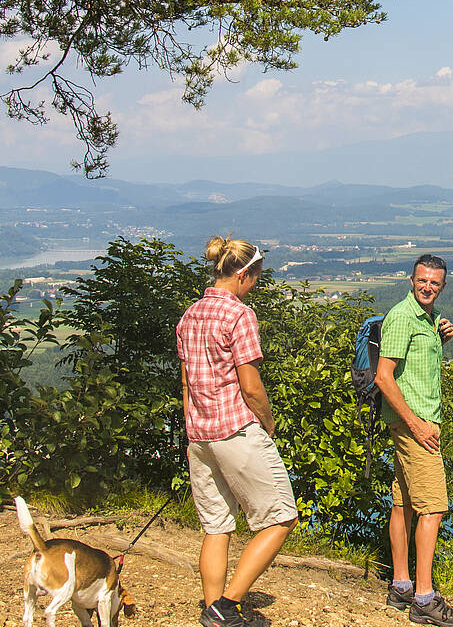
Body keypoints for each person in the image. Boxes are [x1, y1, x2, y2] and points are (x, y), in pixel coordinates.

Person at [177, 237, 298, 627]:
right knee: (280, 518)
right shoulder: (239, 315)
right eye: (256, 278)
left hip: (200, 434)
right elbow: (250, 385)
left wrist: (193, 428)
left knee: (217, 526)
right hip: (236, 429)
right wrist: (267, 420)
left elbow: (186, 384)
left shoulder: (190, 315)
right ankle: (227, 606)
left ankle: (213, 611)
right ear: (244, 274)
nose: (256, 285)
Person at [372, 254, 453, 626]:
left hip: (412, 422)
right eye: (422, 280)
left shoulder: (426, 318)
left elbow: (414, 369)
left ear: (442, 286)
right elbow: (384, 377)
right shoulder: (402, 317)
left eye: (435, 283)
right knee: (433, 508)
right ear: (411, 280)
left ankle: (400, 586)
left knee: (404, 504)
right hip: (416, 426)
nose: (427, 287)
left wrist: (438, 340)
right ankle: (424, 599)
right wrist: (416, 424)